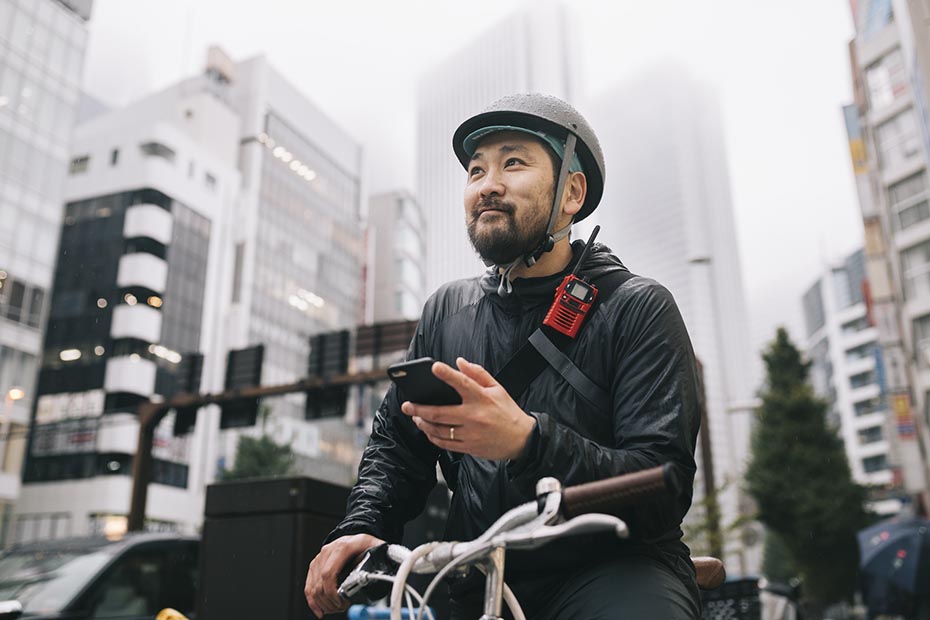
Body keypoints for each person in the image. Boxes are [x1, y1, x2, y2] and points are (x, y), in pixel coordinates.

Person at [305, 93, 702, 619]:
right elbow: (396, 447)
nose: (487, 184)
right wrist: (362, 526)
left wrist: (530, 442)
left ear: (571, 194)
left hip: (615, 570)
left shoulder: (637, 308)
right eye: (475, 170)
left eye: (513, 163)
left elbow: (663, 484)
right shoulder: (447, 311)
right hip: (473, 575)